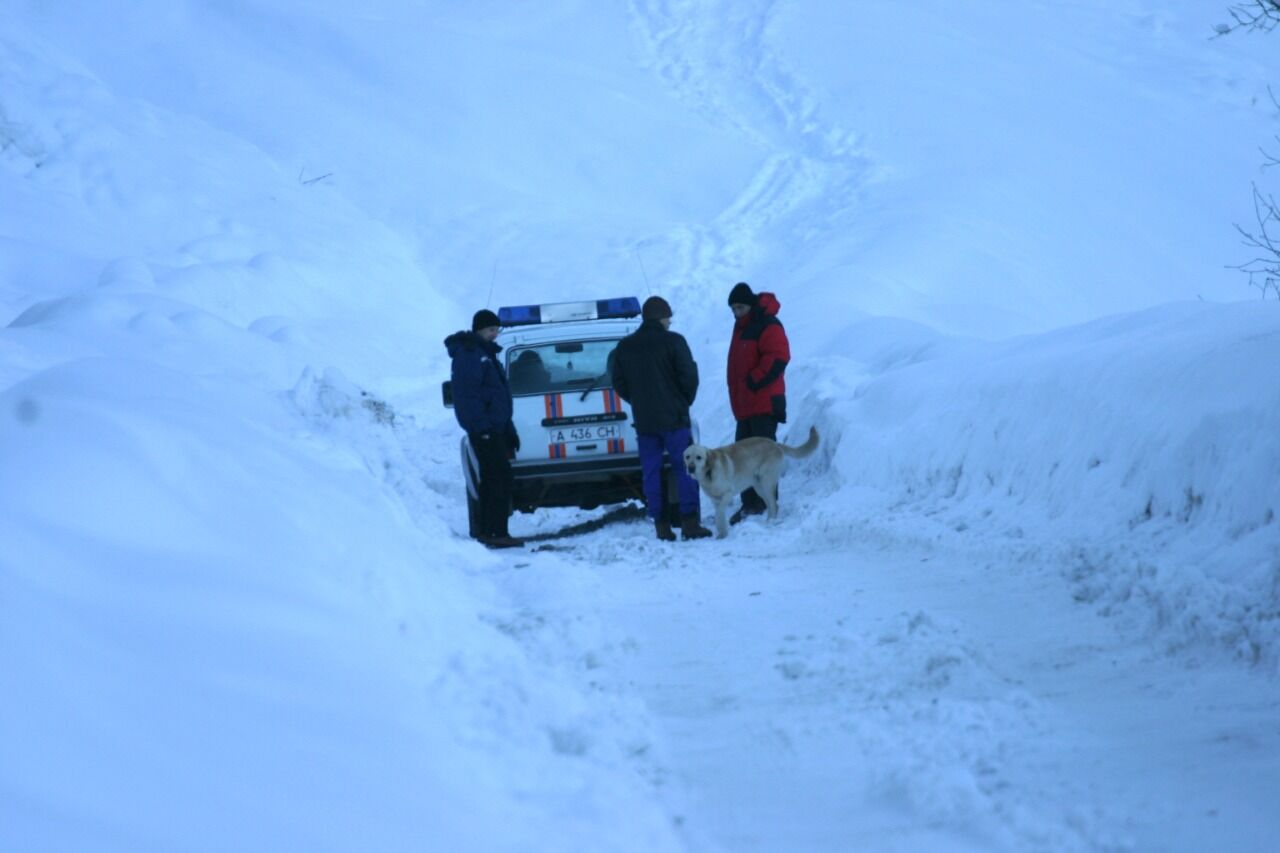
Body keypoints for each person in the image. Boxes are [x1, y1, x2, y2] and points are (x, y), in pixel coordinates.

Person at [610, 296, 713, 541]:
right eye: (669, 317)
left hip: (645, 422)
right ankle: (690, 523)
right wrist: (683, 401)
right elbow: (689, 376)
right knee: (685, 468)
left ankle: (661, 526)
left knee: (651, 472)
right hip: (675, 419)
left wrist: (638, 402)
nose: (670, 322)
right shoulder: (674, 341)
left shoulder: (625, 347)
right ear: (662, 317)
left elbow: (619, 383)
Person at [444, 309, 524, 549]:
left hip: (494, 428)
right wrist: (483, 428)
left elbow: (497, 395)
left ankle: (493, 530)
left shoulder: (484, 353)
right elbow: (468, 396)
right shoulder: (470, 354)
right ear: (479, 330)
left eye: (496, 330)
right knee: (496, 478)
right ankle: (493, 531)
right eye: (491, 330)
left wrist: (507, 428)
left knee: (497, 477)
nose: (495, 334)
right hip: (484, 430)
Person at [725, 281, 791, 525]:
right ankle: (749, 505)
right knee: (742, 459)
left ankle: (765, 506)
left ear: (750, 304)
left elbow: (779, 356)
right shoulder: (741, 327)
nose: (736, 312)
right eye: (733, 309)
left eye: (740, 307)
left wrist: (754, 380)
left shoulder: (767, 324)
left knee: (763, 458)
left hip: (763, 404)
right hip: (745, 407)